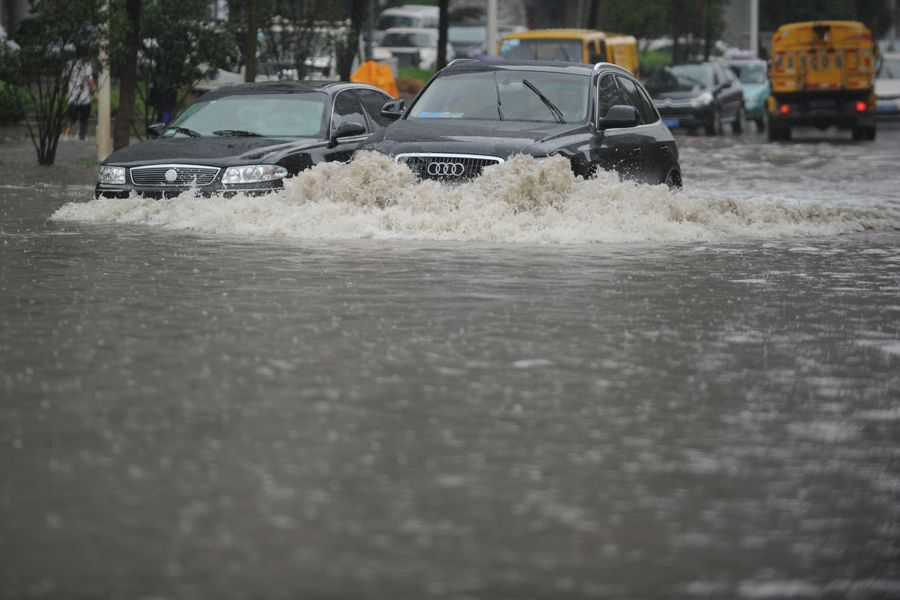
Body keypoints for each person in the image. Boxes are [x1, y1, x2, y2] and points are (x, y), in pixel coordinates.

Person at [66, 59, 96, 140]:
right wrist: (95, 92)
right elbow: (90, 79)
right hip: (84, 98)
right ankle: (81, 136)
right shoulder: (86, 63)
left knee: (71, 119)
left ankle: (67, 135)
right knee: (84, 120)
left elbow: (65, 78)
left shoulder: (69, 63)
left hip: (72, 98)